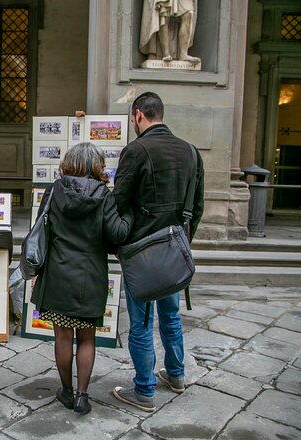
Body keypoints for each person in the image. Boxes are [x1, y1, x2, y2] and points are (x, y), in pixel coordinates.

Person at [111, 91, 205, 412]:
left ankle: (145, 390)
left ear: (138, 115)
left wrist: (117, 243)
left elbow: (117, 203)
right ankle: (176, 375)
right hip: (175, 250)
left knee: (140, 323)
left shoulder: (135, 150)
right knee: (171, 316)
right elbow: (198, 206)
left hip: (141, 252)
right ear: (160, 114)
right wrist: (181, 242)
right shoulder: (191, 152)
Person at [30, 143, 132, 415]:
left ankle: (66, 390)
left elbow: (42, 231)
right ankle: (83, 396)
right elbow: (118, 234)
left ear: (69, 163)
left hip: (57, 275)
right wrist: (130, 212)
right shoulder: (103, 195)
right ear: (96, 165)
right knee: (87, 337)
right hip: (90, 276)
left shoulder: (53, 191)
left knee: (62, 336)